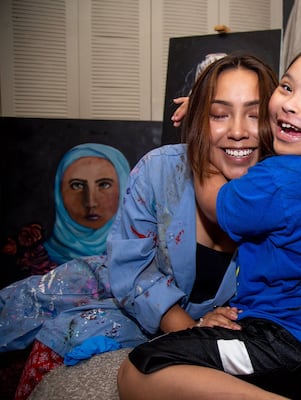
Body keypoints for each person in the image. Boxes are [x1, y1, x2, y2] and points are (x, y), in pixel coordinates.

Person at [117, 44, 301, 400]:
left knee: (140, 369)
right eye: (287, 88)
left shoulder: (276, 179)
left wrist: (200, 139)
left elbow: (218, 205)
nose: (292, 104)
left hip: (282, 346)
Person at [0, 54, 279, 399]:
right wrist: (190, 332)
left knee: (60, 337)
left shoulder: (288, 198)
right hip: (109, 278)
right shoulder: (158, 170)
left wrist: (201, 336)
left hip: (145, 320)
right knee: (15, 308)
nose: (238, 131)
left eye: (254, 114)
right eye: (219, 113)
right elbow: (130, 269)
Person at [1, 143, 130, 283]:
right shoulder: (29, 260)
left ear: (123, 188)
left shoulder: (140, 258)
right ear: (59, 192)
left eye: (104, 184)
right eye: (77, 185)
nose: (91, 202)